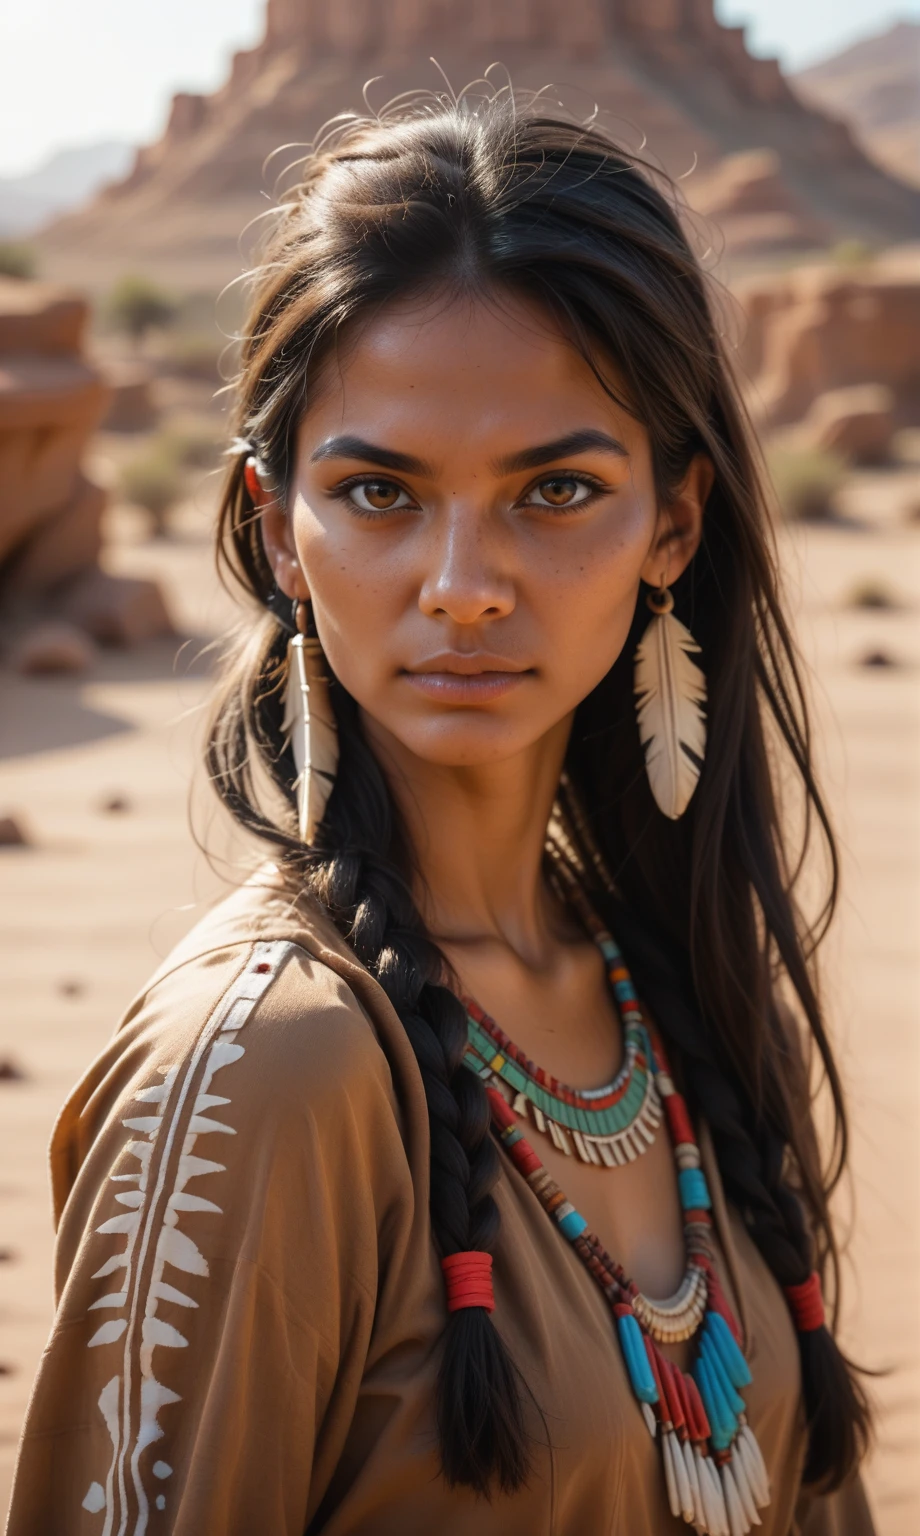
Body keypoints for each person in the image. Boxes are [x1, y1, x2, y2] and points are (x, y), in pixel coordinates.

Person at [7, 93, 874, 1535]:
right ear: (278, 527)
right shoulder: (267, 1073)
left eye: (555, 488)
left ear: (675, 522)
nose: (464, 582)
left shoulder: (686, 996)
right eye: (380, 491)